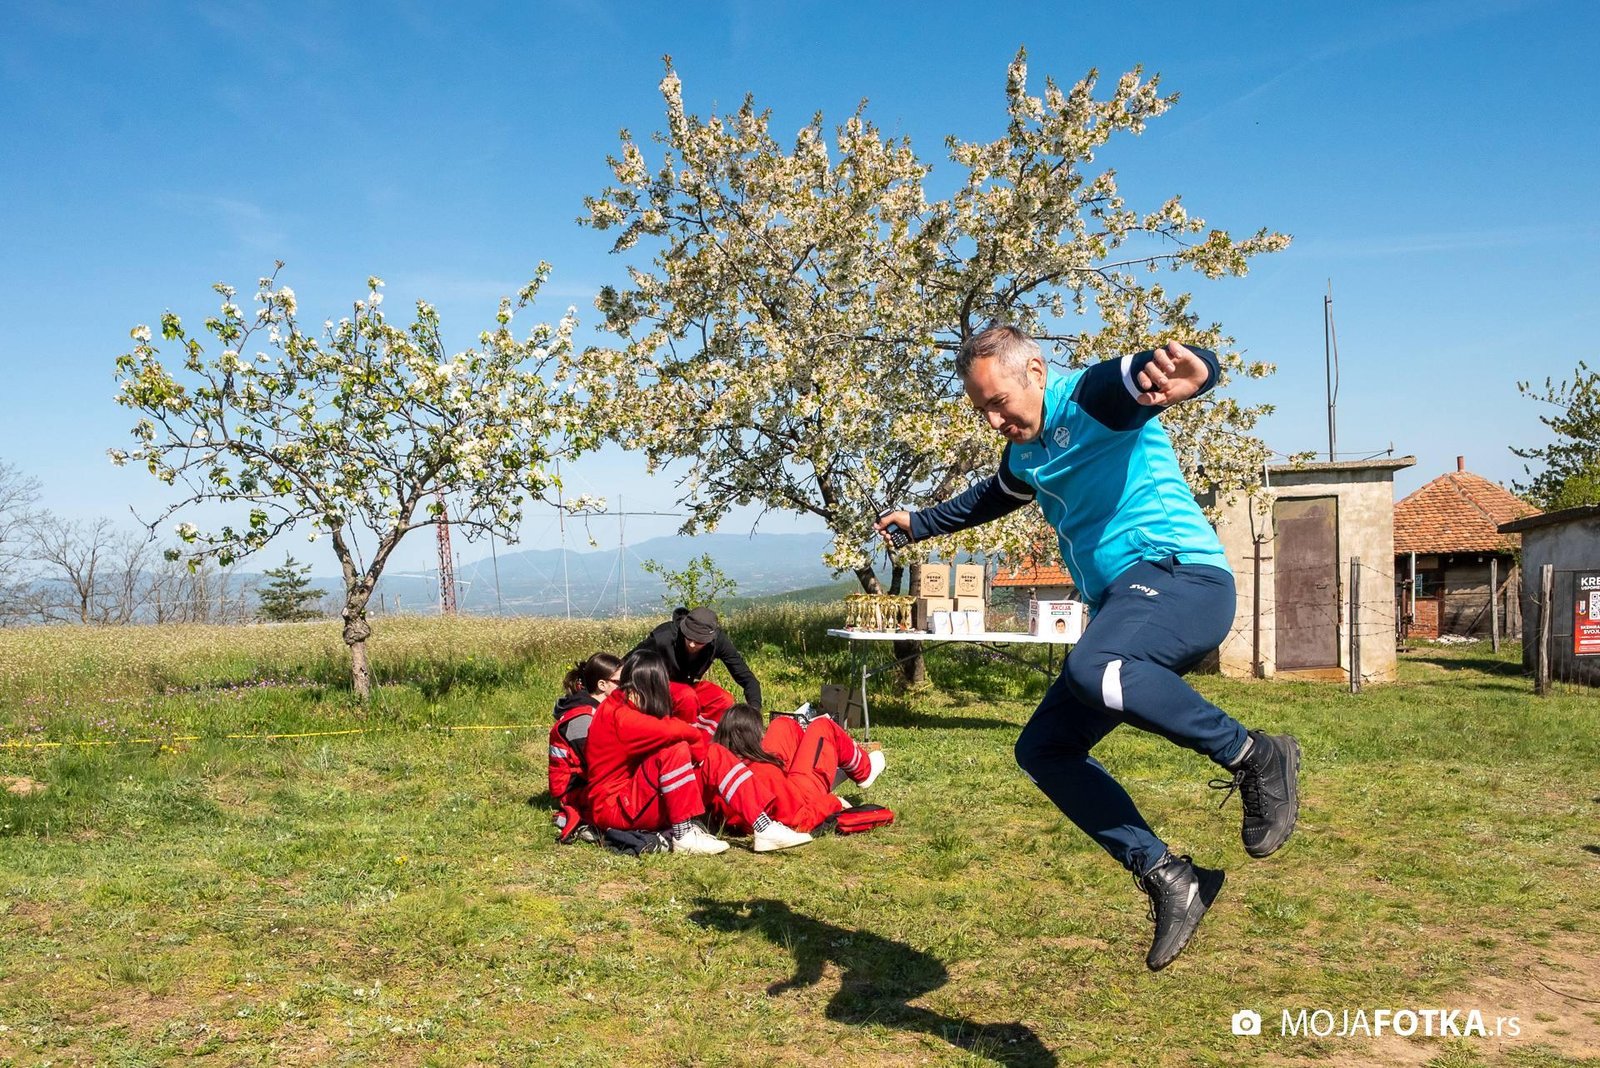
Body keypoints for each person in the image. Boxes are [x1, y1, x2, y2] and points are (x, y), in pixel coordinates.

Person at [875, 326, 1301, 971]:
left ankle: (1254, 755)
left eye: (998, 402)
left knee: (1094, 667)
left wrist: (1199, 372)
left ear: (1035, 372)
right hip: (1127, 604)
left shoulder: (1091, 398)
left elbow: (1150, 375)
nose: (993, 420)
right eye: (981, 409)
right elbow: (995, 495)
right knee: (1044, 749)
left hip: (1182, 578)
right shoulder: (1025, 454)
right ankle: (1168, 875)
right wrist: (921, 522)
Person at [581, 648, 729, 855]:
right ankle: (684, 834)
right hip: (614, 808)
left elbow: (684, 696)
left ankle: (762, 824)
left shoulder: (618, 704)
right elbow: (671, 730)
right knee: (675, 750)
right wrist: (697, 745)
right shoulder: (623, 718)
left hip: (619, 799)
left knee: (715, 753)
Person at [708, 705, 887, 834]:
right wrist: (833, 803)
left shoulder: (714, 763)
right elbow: (800, 820)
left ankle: (822, 766)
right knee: (824, 726)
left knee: (783, 724)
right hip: (800, 798)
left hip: (775, 787)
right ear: (752, 738)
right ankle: (864, 771)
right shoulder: (766, 773)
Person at [631, 606, 761, 733]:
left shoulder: (719, 641)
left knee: (724, 700)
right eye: (688, 638)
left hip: (689, 687)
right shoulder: (664, 636)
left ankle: (705, 741)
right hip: (660, 687)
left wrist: (754, 713)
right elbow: (627, 663)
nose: (692, 644)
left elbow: (747, 678)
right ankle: (683, 737)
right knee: (687, 697)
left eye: (699, 642)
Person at [547, 652, 622, 843]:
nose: (625, 688)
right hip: (575, 790)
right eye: (620, 683)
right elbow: (597, 762)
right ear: (602, 685)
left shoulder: (601, 709)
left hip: (588, 780)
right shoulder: (582, 719)